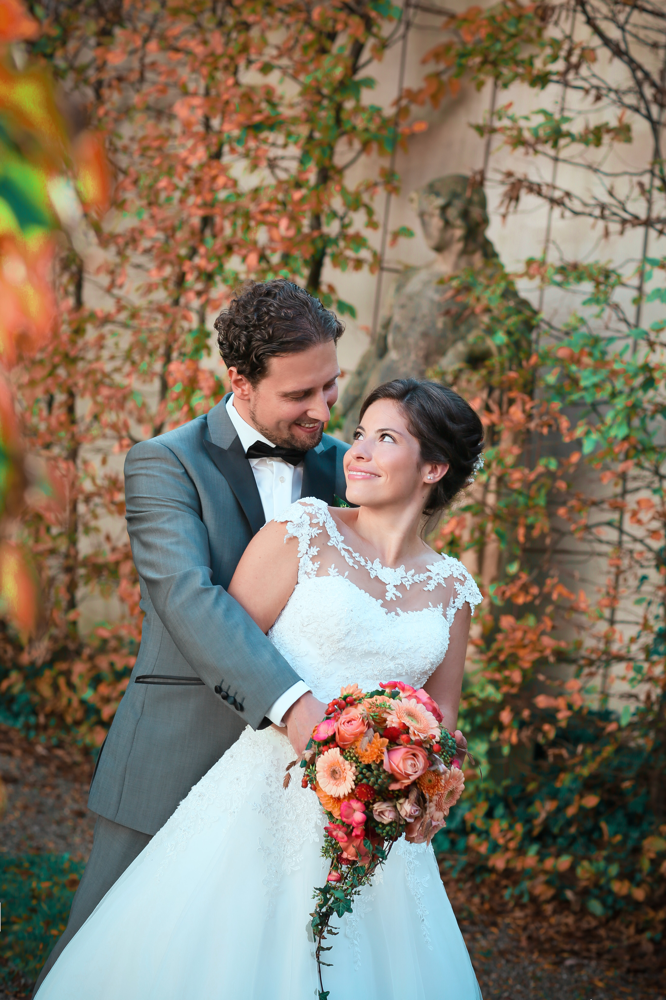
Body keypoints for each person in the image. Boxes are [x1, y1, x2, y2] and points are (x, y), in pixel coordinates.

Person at [35, 377, 484, 1000]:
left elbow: (441, 718)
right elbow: (229, 654)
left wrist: (418, 783)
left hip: (372, 830)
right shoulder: (302, 533)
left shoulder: (453, 589)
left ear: (433, 466)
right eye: (358, 434)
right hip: (261, 796)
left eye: (385, 438)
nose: (356, 450)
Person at [33, 279, 352, 990]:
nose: (323, 410)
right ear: (240, 382)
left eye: (332, 386)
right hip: (176, 753)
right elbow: (188, 598)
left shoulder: (340, 469)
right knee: (105, 957)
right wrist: (298, 707)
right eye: (300, 395)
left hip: (302, 780)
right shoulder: (164, 462)